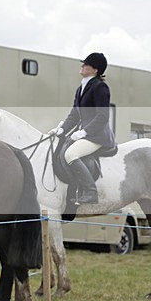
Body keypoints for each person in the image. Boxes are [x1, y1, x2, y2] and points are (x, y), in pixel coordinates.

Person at [49, 52, 115, 204]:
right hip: (86, 135)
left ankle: (91, 192)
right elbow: (74, 115)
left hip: (97, 136)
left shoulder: (100, 87)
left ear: (95, 70)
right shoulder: (81, 88)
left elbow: (102, 116)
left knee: (70, 154)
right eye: (83, 64)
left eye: (86, 64)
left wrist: (84, 132)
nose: (82, 66)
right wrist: (61, 130)